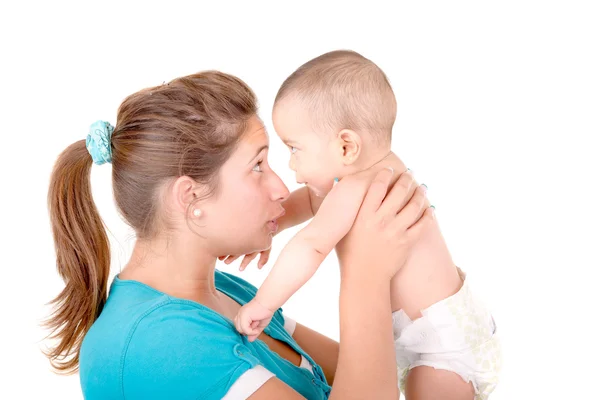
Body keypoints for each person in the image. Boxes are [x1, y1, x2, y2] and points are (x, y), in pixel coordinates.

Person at [44, 70, 433, 399]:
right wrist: (367, 275)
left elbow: (368, 374)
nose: (282, 188)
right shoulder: (157, 343)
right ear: (190, 196)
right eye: (258, 165)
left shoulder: (227, 292)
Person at [235, 50, 501, 400]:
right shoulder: (372, 173)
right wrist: (270, 225)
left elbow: (311, 245)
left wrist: (263, 303)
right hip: (444, 327)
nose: (291, 162)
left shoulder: (357, 188)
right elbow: (310, 203)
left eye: (295, 148)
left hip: (440, 348)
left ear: (346, 146)